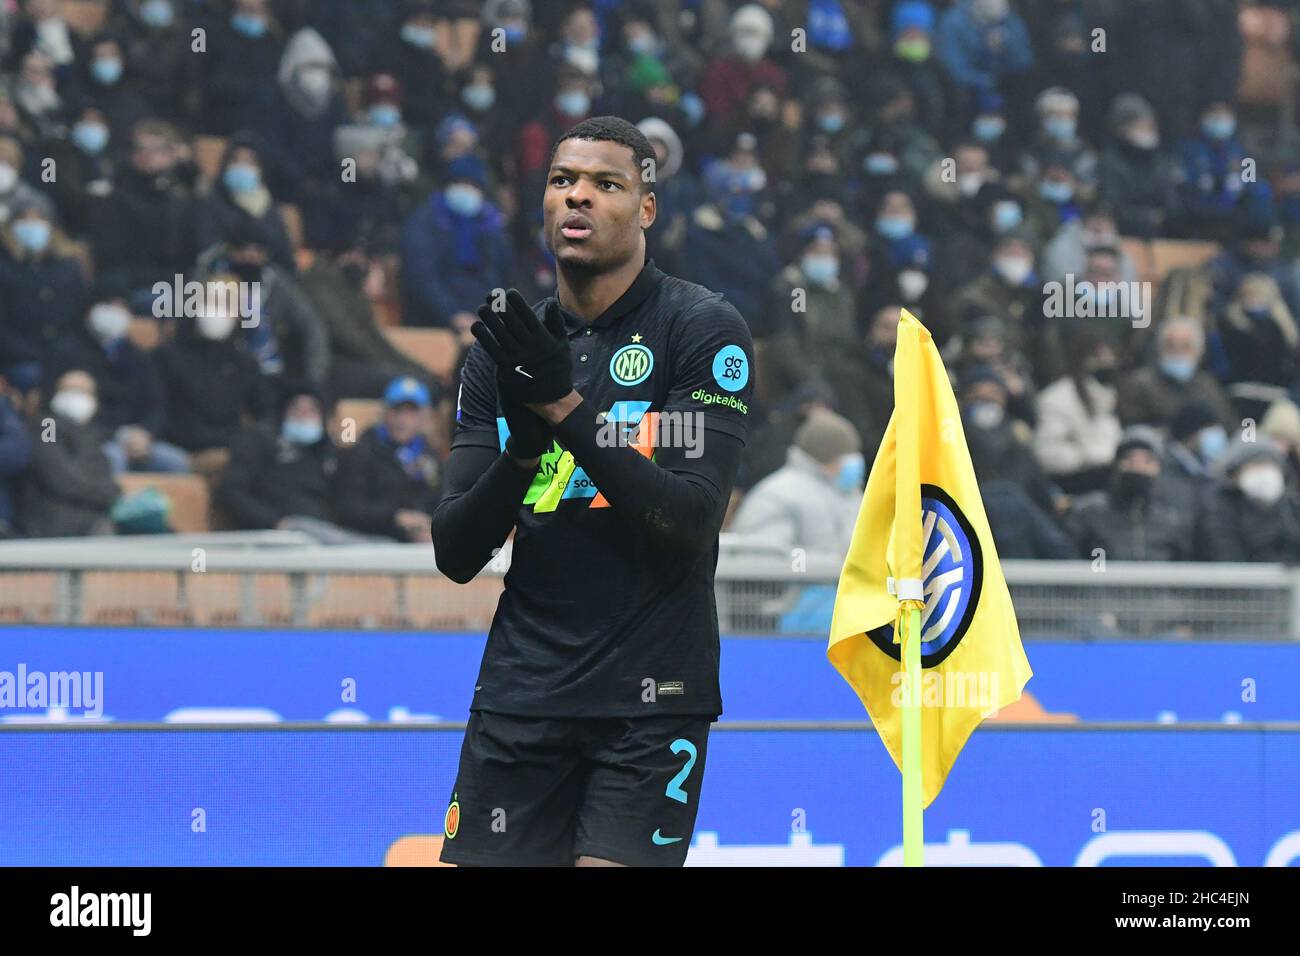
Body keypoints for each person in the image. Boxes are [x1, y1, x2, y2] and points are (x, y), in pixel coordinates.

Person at [431, 116, 754, 867]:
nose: (578, 198)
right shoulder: (506, 351)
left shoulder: (701, 331)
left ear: (646, 208)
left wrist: (566, 412)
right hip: (521, 691)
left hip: (650, 700)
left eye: (606, 184)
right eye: (561, 181)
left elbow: (688, 521)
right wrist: (524, 453)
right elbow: (454, 550)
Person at [728, 407, 863, 556]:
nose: (855, 463)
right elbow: (763, 562)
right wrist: (827, 568)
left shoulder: (849, 493)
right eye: (847, 457)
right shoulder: (777, 495)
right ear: (825, 457)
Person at [334, 376, 442, 542]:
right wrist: (395, 517)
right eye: (397, 410)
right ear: (384, 413)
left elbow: (439, 499)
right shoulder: (362, 452)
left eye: (412, 412)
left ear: (423, 418)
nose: (403, 419)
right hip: (372, 539)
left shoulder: (429, 456)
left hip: (421, 538)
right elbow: (349, 509)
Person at [20, 369, 120, 537]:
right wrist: (108, 492)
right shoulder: (47, 424)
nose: (75, 397)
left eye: (82, 392)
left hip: (89, 516)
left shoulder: (92, 433)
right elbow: (55, 472)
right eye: (68, 390)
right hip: (53, 518)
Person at [1198, 438, 1300, 562]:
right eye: (1256, 464)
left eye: (1270, 464)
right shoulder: (1219, 509)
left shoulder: (1291, 510)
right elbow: (1225, 554)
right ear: (1235, 475)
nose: (1264, 472)